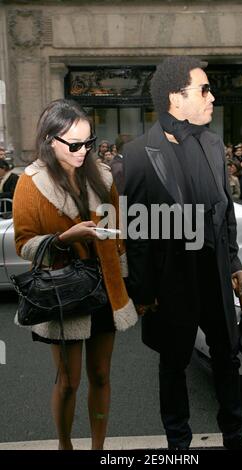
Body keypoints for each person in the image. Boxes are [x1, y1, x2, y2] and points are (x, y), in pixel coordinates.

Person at [123, 56, 242, 451]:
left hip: (214, 271)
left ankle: (235, 434)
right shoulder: (137, 154)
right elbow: (137, 232)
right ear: (175, 98)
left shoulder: (214, 144)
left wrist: (232, 260)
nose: (212, 97)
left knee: (227, 358)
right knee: (173, 365)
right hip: (171, 280)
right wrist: (144, 292)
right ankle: (178, 445)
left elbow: (224, 210)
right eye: (204, 89)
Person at [13, 99, 137, 450]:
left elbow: (119, 235)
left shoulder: (101, 176)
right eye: (74, 144)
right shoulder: (31, 183)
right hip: (63, 292)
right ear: (51, 140)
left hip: (105, 288)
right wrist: (67, 238)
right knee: (69, 381)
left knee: (101, 376)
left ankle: (99, 448)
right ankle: (65, 445)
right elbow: (24, 244)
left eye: (88, 142)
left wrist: (129, 287)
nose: (84, 151)